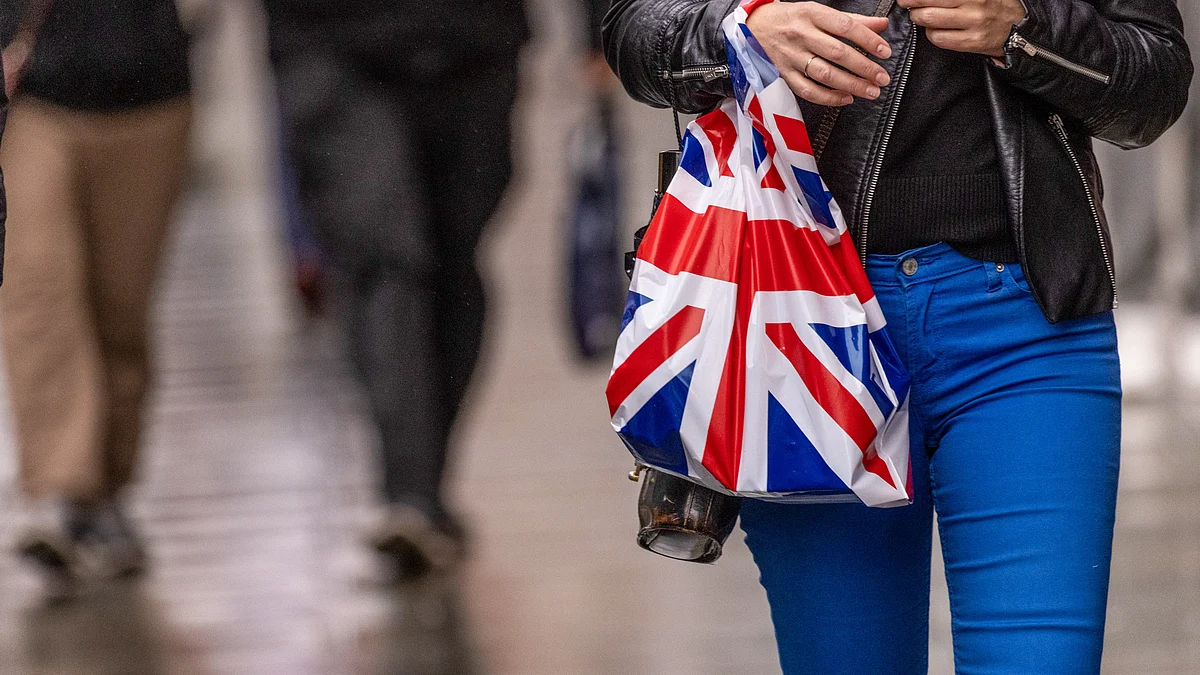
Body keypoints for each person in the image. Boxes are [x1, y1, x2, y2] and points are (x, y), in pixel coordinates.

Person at [603, 0, 1191, 672]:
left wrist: (1023, 30)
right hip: (797, 330)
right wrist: (744, 32)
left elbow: (1156, 79)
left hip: (1025, 327)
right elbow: (635, 33)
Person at [263, 0, 528, 580]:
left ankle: (425, 483)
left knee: (454, 262)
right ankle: (407, 492)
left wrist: (600, 32)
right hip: (330, 49)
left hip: (474, 45)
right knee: (387, 257)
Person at [0, 0, 192, 596]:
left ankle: (105, 494)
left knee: (120, 308)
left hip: (150, 92)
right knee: (39, 292)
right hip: (30, 95)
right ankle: (67, 489)